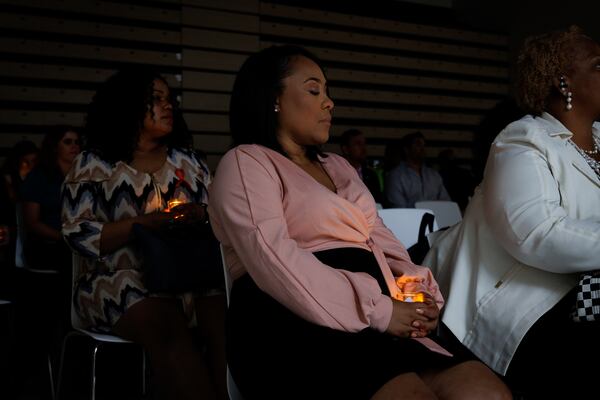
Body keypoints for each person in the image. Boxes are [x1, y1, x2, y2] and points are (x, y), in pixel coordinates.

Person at [208, 45, 511, 400]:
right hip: (289, 318)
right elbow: (273, 258)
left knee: (487, 392)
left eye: (328, 92)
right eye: (313, 90)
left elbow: (380, 239)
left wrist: (417, 293)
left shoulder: (337, 165)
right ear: (273, 98)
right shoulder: (247, 162)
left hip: (377, 314)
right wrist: (379, 309)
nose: (329, 102)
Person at [423, 25, 600, 398]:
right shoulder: (522, 139)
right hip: (523, 302)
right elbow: (537, 234)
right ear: (563, 82)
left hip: (584, 293)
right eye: (599, 64)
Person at [61, 68, 226, 400]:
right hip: (113, 280)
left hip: (189, 276)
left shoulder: (189, 162)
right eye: (156, 99)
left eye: (170, 100)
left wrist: (200, 215)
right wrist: (145, 225)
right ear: (128, 106)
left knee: (226, 325)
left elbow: (220, 217)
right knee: (166, 326)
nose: (168, 106)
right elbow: (76, 233)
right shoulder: (94, 165)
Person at [20, 125, 81, 271]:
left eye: (77, 142)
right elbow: (32, 222)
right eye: (67, 142)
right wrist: (64, 238)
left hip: (79, 242)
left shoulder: (83, 176)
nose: (74, 146)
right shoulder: (39, 176)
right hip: (48, 245)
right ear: (54, 147)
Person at [385, 132, 450, 208]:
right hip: (410, 219)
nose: (422, 149)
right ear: (406, 149)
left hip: (436, 218)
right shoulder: (396, 176)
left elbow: (446, 203)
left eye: (424, 145)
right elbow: (399, 208)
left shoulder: (434, 175)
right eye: (418, 145)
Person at [339, 128, 384, 204]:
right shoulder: (337, 173)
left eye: (364, 144)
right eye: (358, 144)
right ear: (346, 149)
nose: (364, 149)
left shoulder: (371, 175)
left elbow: (378, 202)